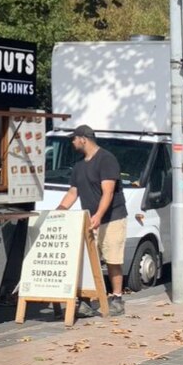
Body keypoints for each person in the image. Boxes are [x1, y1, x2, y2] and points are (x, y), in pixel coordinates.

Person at [55, 124, 128, 317]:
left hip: (112, 217)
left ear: (83, 139)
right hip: (89, 219)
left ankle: (117, 299)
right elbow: (73, 192)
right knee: (86, 262)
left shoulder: (106, 159)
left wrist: (98, 215)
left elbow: (108, 192)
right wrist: (59, 211)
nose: (72, 142)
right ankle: (85, 302)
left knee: (112, 259)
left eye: (74, 139)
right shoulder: (79, 165)